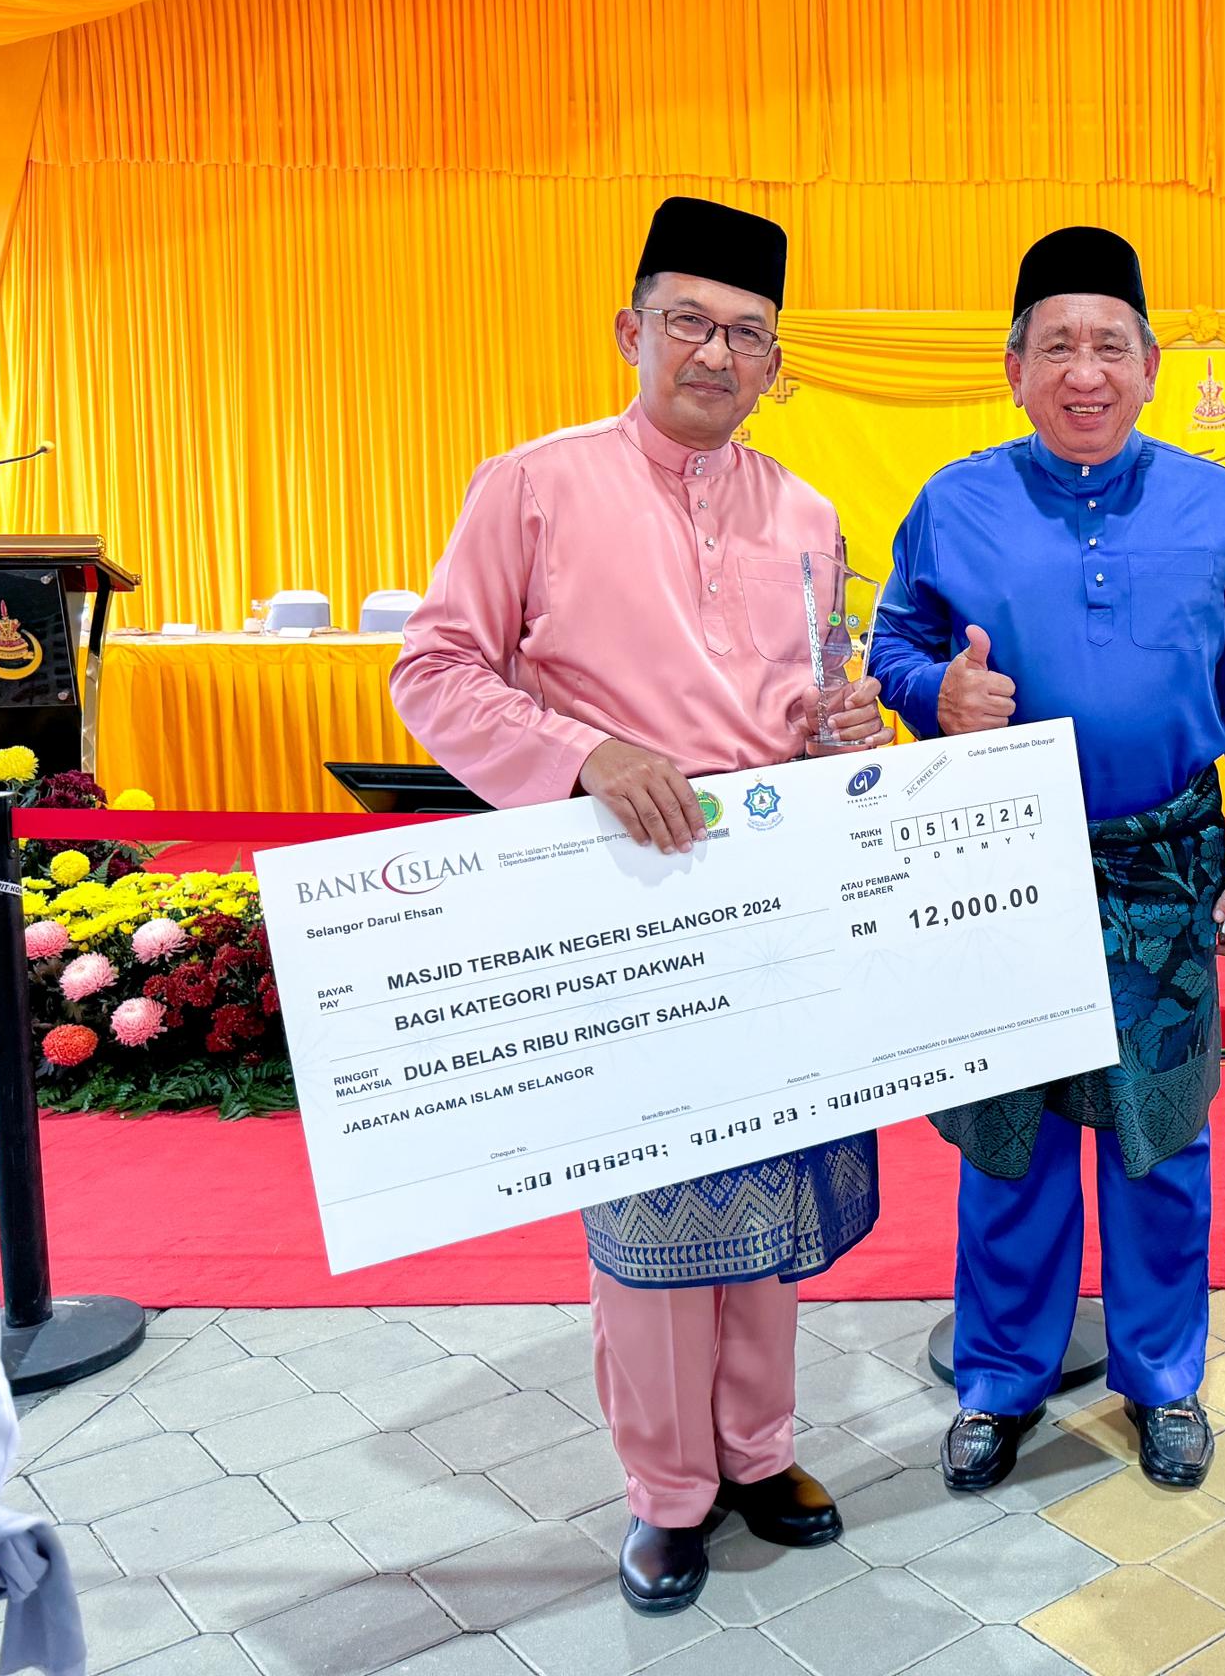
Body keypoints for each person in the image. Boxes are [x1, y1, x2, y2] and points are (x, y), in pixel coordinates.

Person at [392, 195, 889, 1615]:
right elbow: (433, 670)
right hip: (621, 895)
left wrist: (840, 729)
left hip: (774, 900)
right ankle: (669, 1493)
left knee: (773, 1173)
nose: (717, 354)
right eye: (690, 323)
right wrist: (581, 756)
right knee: (656, 1206)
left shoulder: (807, 509)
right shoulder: (533, 484)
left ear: (776, 361)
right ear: (631, 330)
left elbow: (815, 686)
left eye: (748, 334)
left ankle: (759, 1450)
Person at [867, 226, 1225, 1494]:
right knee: (1011, 1140)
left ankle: (1163, 1379)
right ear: (1012, 368)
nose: (1084, 371)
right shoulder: (953, 502)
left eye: (1110, 344)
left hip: (1164, 868)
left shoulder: (1211, 505)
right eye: (1055, 345)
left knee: (1159, 1141)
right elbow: (893, 645)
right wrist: (932, 693)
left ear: (1151, 366)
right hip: (1001, 860)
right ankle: (1000, 1380)